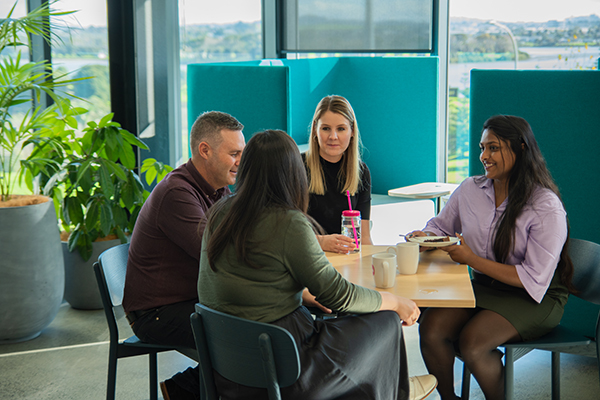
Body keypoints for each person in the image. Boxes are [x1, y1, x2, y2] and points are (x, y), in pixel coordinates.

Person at [198, 129, 437, 400]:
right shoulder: (288, 223)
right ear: (293, 173)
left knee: (344, 318)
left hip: (232, 370)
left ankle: (394, 389)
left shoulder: (220, 213)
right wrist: (395, 301)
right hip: (288, 368)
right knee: (384, 319)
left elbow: (243, 281)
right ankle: (398, 391)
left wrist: (301, 294)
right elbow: (339, 295)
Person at [408, 115, 575, 400]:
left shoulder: (545, 205)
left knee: (473, 343)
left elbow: (532, 278)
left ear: (521, 148)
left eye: (494, 148)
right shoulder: (470, 189)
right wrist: (424, 237)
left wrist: (470, 259)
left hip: (537, 296)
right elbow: (440, 226)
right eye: (482, 148)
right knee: (432, 328)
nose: (484, 156)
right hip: (488, 288)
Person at [123, 111, 245, 400]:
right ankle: (188, 388)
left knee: (255, 326)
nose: (241, 162)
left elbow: (244, 236)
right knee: (246, 335)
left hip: (189, 301)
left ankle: (184, 389)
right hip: (157, 314)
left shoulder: (219, 191)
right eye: (234, 153)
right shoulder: (177, 193)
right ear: (205, 150)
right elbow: (219, 252)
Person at [302, 95, 374, 253]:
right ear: (315, 129)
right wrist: (320, 242)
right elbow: (285, 232)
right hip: (308, 258)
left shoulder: (361, 172)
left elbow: (365, 238)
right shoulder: (297, 167)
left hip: (347, 260)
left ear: (352, 131)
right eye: (326, 128)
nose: (333, 137)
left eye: (341, 129)